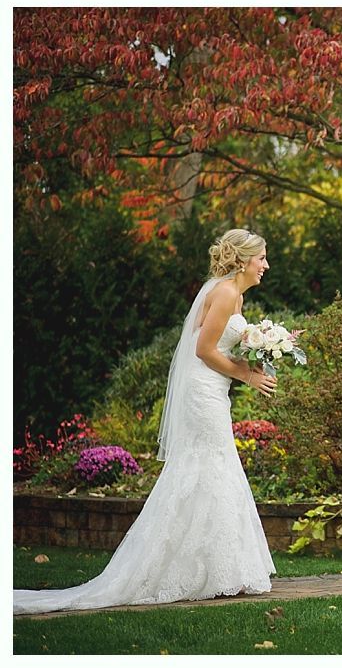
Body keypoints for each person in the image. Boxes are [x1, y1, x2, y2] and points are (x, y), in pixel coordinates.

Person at [14, 229, 278, 614]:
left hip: (211, 391)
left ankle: (219, 569)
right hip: (203, 394)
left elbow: (218, 347)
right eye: (262, 259)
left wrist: (263, 346)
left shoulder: (230, 293)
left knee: (212, 470)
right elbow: (204, 351)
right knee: (207, 469)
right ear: (243, 260)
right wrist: (248, 375)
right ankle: (189, 570)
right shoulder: (224, 293)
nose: (266, 266)